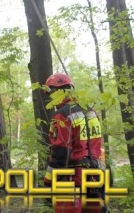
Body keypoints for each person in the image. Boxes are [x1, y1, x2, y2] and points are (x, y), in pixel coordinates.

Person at [43, 73, 104, 213]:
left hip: (72, 176)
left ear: (57, 91)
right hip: (94, 173)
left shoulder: (62, 115)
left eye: (50, 93)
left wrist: (48, 181)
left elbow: (60, 153)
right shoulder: (91, 112)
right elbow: (97, 145)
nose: (50, 98)